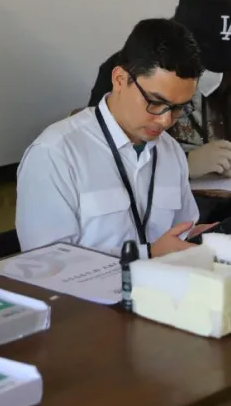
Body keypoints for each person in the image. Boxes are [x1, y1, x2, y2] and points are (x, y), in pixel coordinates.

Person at [17, 18, 212, 258]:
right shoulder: (55, 153)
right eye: (155, 102)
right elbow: (46, 265)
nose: (165, 120)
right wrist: (148, 254)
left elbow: (179, 231)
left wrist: (193, 239)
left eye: (178, 107)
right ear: (119, 79)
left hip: (164, 281)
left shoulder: (169, 150)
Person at [88, 0, 231, 182]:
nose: (214, 72)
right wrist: (184, 163)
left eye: (222, 60)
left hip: (230, 196)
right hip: (159, 195)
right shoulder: (128, 72)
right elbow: (103, 154)